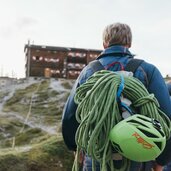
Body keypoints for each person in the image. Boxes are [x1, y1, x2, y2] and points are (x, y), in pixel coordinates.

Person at [62, 22, 171, 171]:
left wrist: (74, 146)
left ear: (104, 43)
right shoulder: (148, 70)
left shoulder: (89, 72)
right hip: (137, 155)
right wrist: (162, 159)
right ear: (130, 43)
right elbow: (165, 116)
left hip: (96, 156)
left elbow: (70, 115)